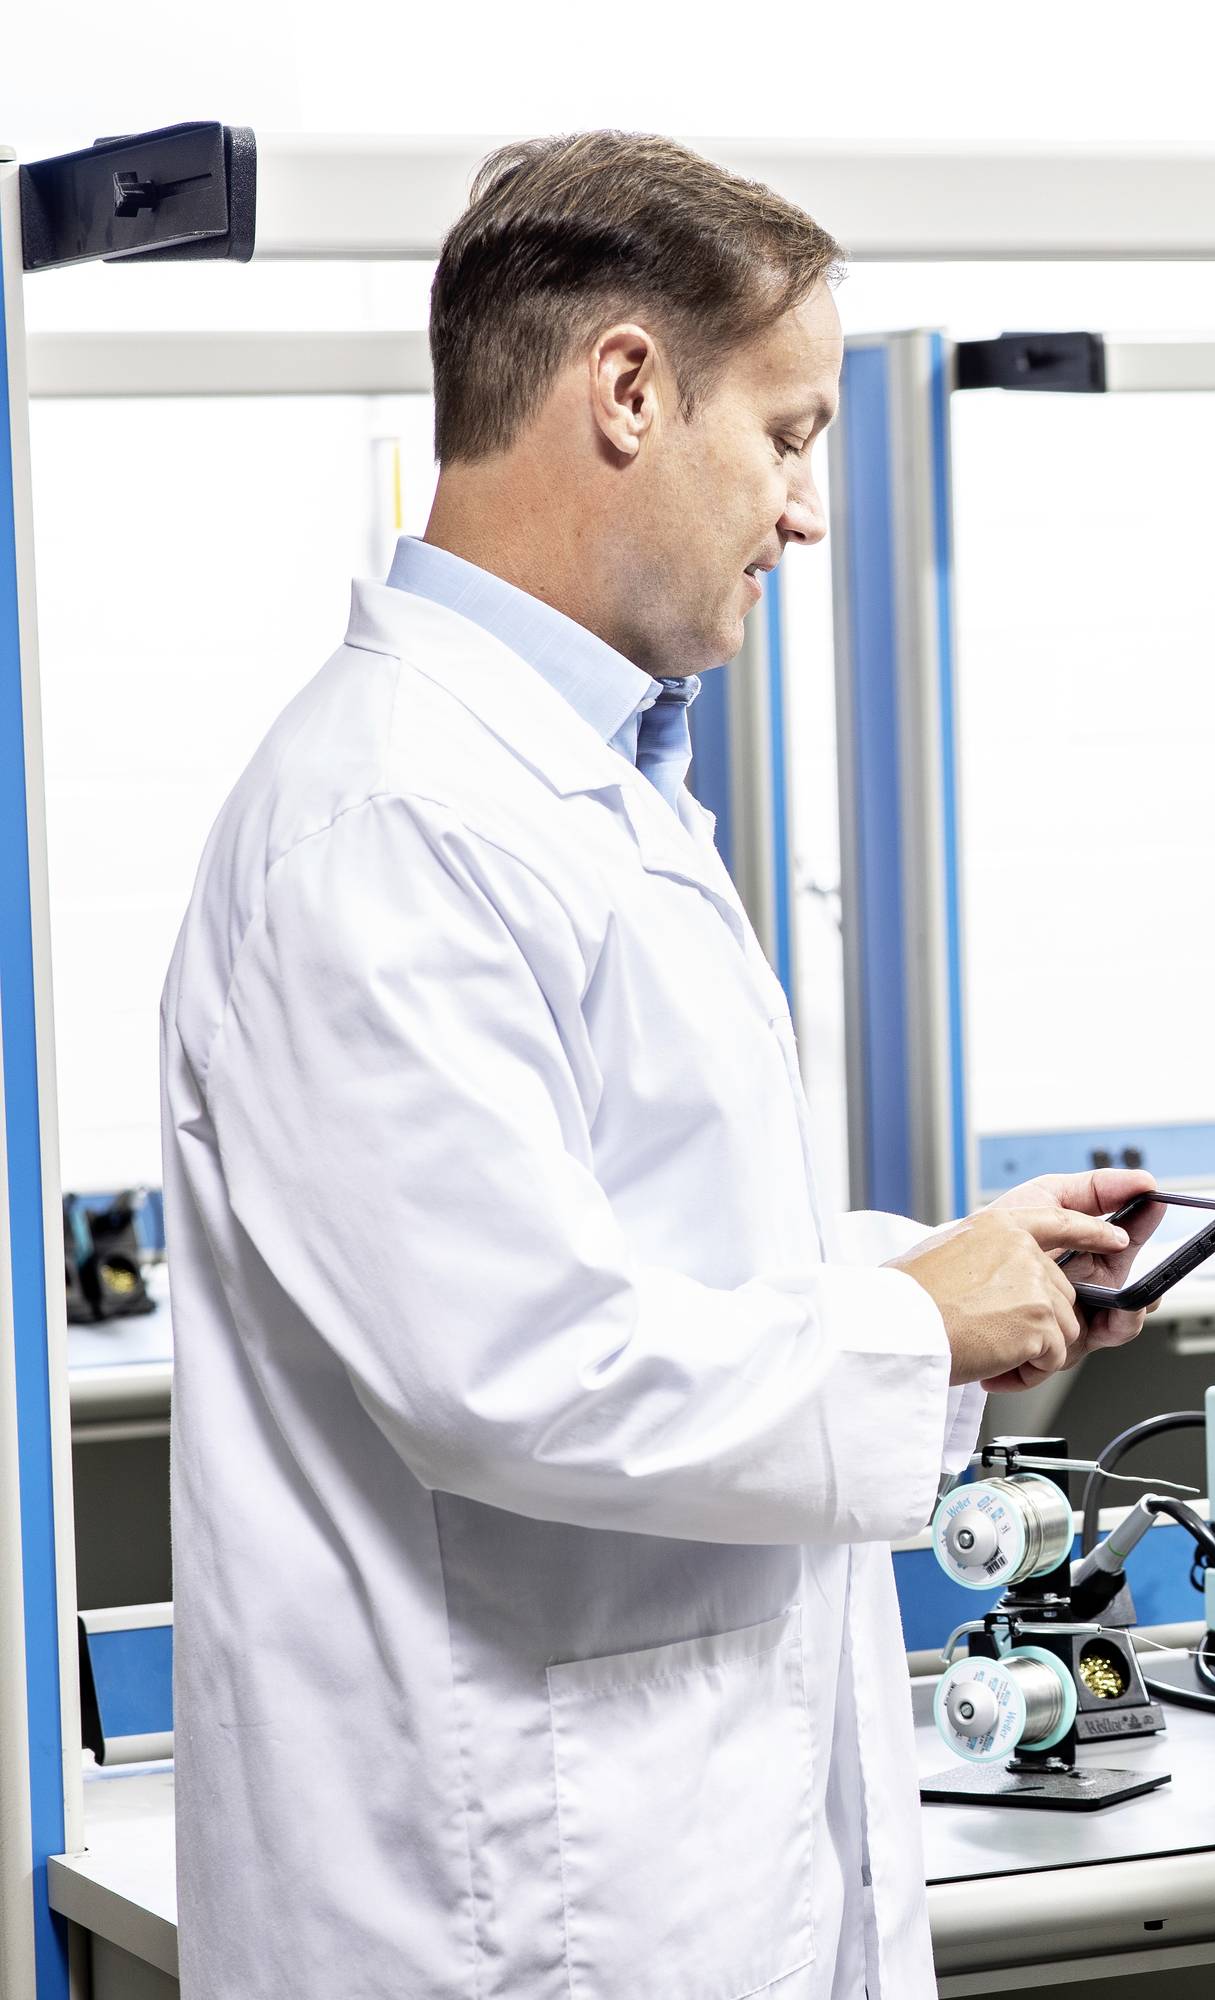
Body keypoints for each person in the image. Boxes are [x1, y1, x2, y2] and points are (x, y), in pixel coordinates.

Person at [160, 134, 1129, 1999]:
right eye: (787, 435)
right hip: (498, 1905)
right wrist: (915, 1330)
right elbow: (516, 1368)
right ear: (626, 391)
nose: (807, 510)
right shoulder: (387, 819)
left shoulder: (590, 794)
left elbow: (646, 1257)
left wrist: (939, 1272)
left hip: (662, 1867)